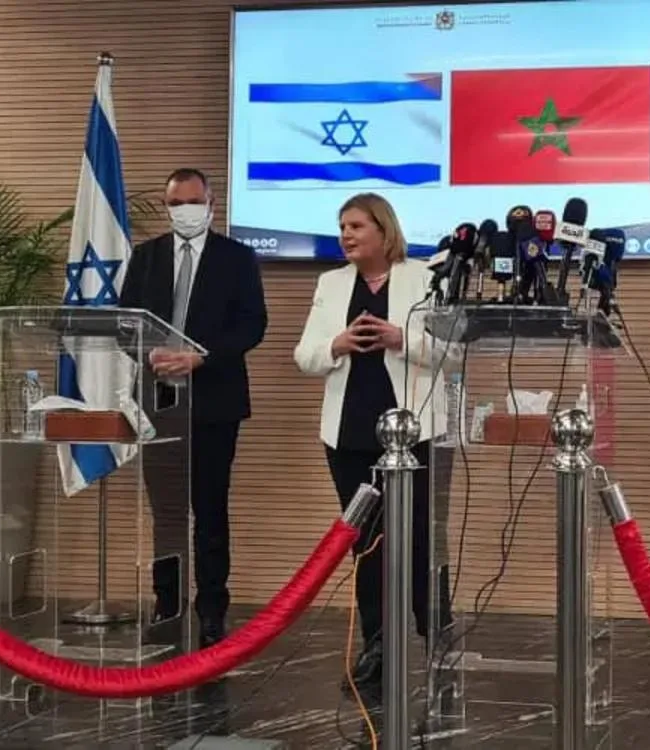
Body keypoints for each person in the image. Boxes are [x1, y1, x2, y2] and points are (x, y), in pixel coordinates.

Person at [294, 192, 452, 700]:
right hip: (349, 433)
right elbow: (305, 356)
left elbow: (453, 352)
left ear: (384, 231)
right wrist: (336, 345)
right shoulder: (331, 283)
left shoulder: (424, 278)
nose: (346, 235)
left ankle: (436, 638)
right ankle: (377, 644)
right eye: (342, 226)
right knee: (365, 543)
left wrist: (400, 339)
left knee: (420, 537)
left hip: (414, 431)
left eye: (356, 226)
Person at [119, 167, 268, 648]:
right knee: (165, 511)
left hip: (215, 400)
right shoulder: (146, 257)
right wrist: (148, 353)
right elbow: (125, 323)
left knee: (210, 509)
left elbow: (252, 325)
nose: (185, 211)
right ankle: (167, 602)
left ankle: (211, 609)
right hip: (159, 400)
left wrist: (201, 358)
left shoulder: (236, 257)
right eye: (176, 204)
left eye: (193, 202)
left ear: (211, 203)